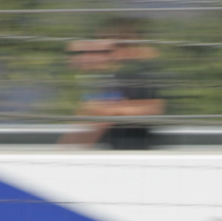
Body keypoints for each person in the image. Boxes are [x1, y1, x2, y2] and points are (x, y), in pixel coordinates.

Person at [65, 22, 165, 150]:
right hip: (116, 148)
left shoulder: (138, 75)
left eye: (107, 47)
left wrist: (111, 111)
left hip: (134, 151)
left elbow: (154, 108)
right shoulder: (112, 77)